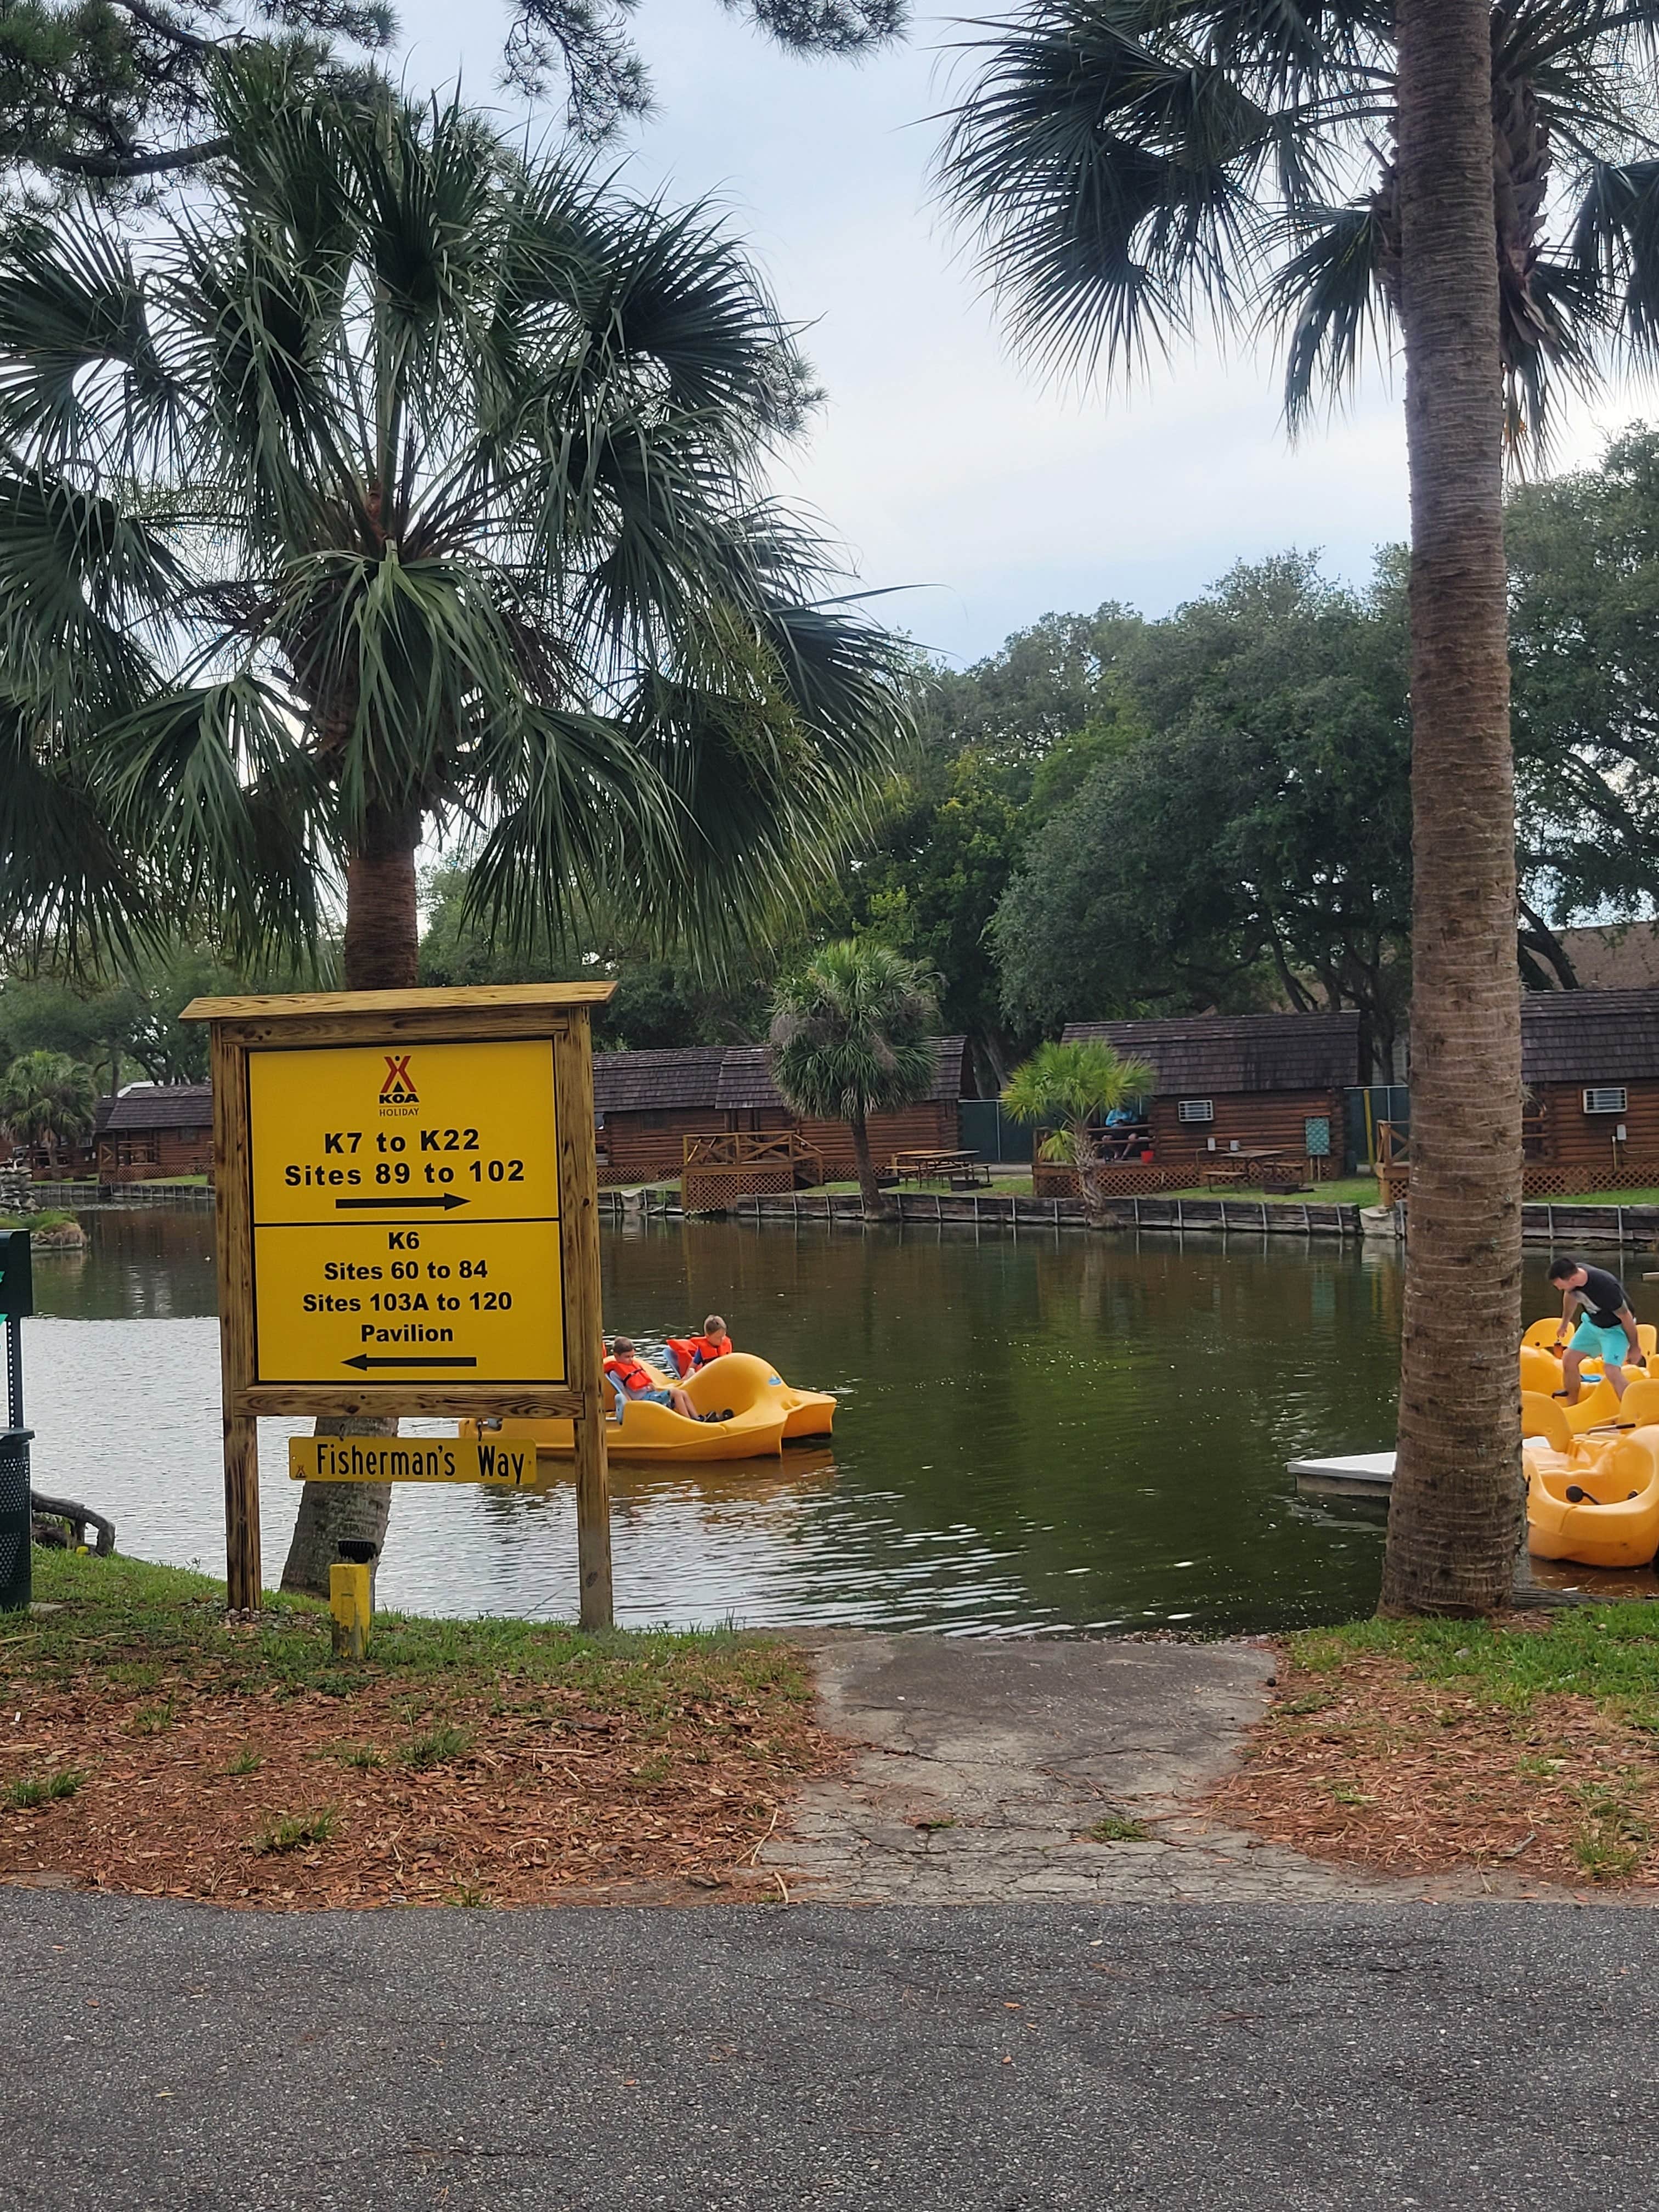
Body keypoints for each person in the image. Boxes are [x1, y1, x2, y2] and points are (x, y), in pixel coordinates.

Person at [1548, 1256, 1643, 1403]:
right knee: (1568, 1360)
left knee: (1611, 1371)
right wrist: (1565, 1323)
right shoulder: (1575, 1275)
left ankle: (1633, 1409)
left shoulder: (1605, 1287)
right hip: (1592, 1325)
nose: (1559, 1289)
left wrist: (1635, 1347)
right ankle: (1572, 1404)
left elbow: (1626, 1317)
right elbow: (1570, 1296)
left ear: (1572, 1280)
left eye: (1560, 1286)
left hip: (1615, 1329)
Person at [603, 1338, 720, 1421]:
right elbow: (623, 1392)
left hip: (651, 1395)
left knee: (683, 1393)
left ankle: (698, 1418)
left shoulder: (633, 1367)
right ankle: (689, 1421)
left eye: (633, 1356)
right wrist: (632, 1408)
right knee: (676, 1393)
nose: (631, 1360)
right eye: (627, 1357)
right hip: (645, 1401)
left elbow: (647, 1383)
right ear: (617, 1356)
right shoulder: (615, 1373)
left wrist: (652, 1387)